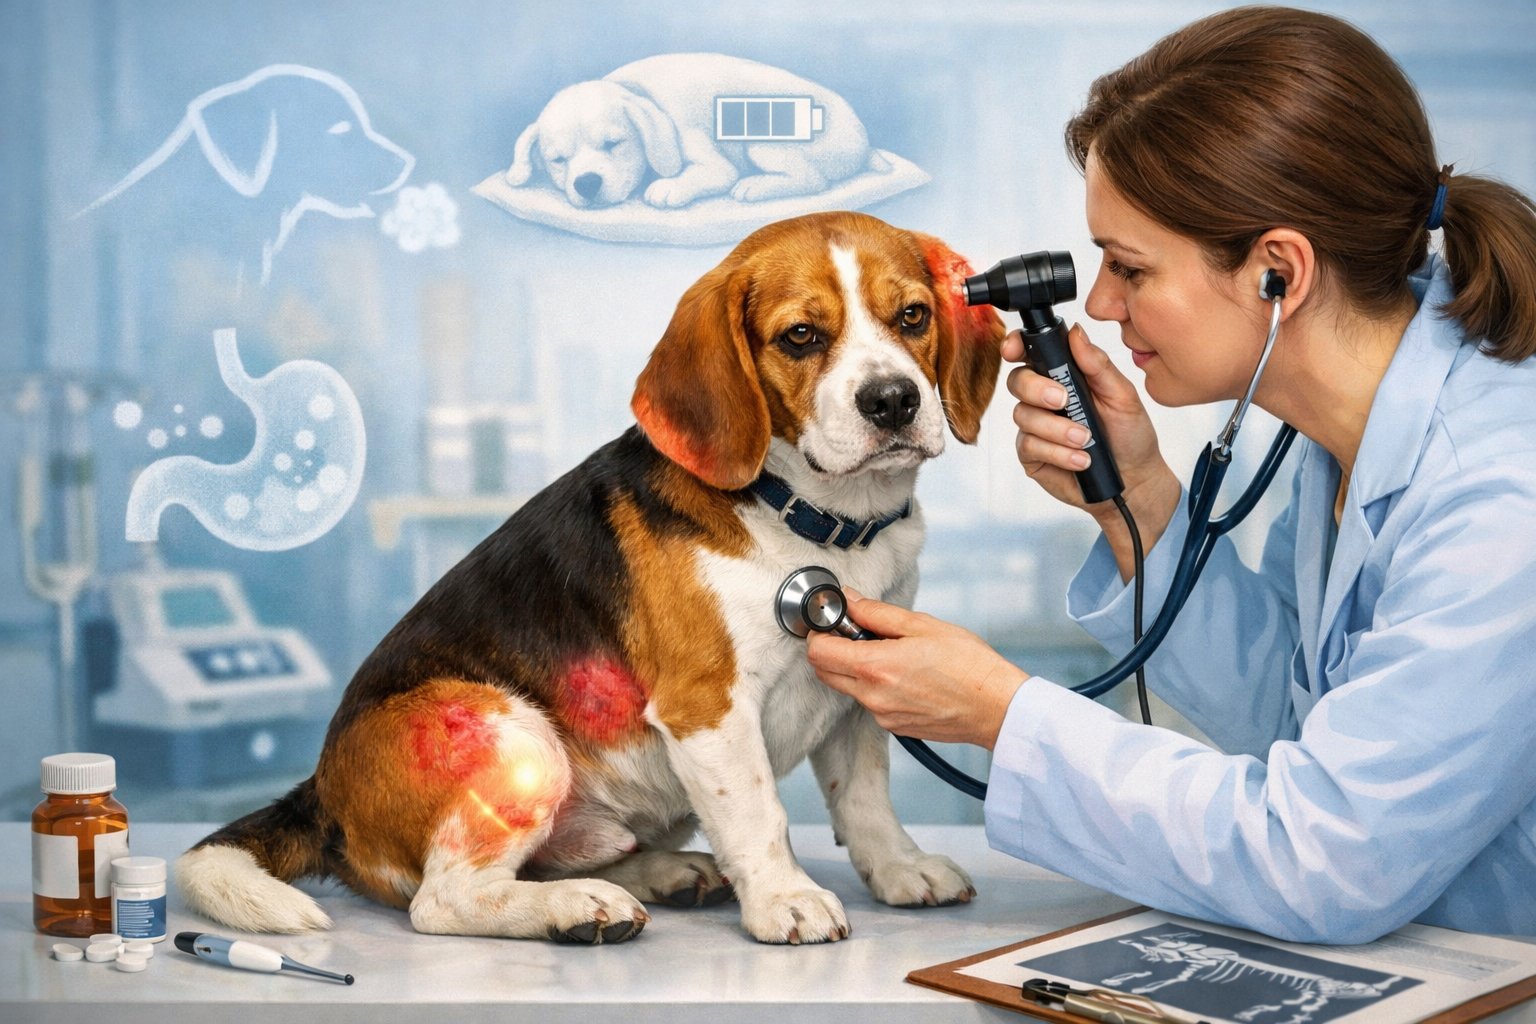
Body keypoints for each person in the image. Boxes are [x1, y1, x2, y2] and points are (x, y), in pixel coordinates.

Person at [806, 5, 1536, 945]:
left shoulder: (1500, 497)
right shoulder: (1334, 440)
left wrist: (1004, 715)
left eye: (1130, 267)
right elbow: (1298, 720)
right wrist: (1139, 502)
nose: (1102, 305)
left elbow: (1329, 857)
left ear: (1279, 272)